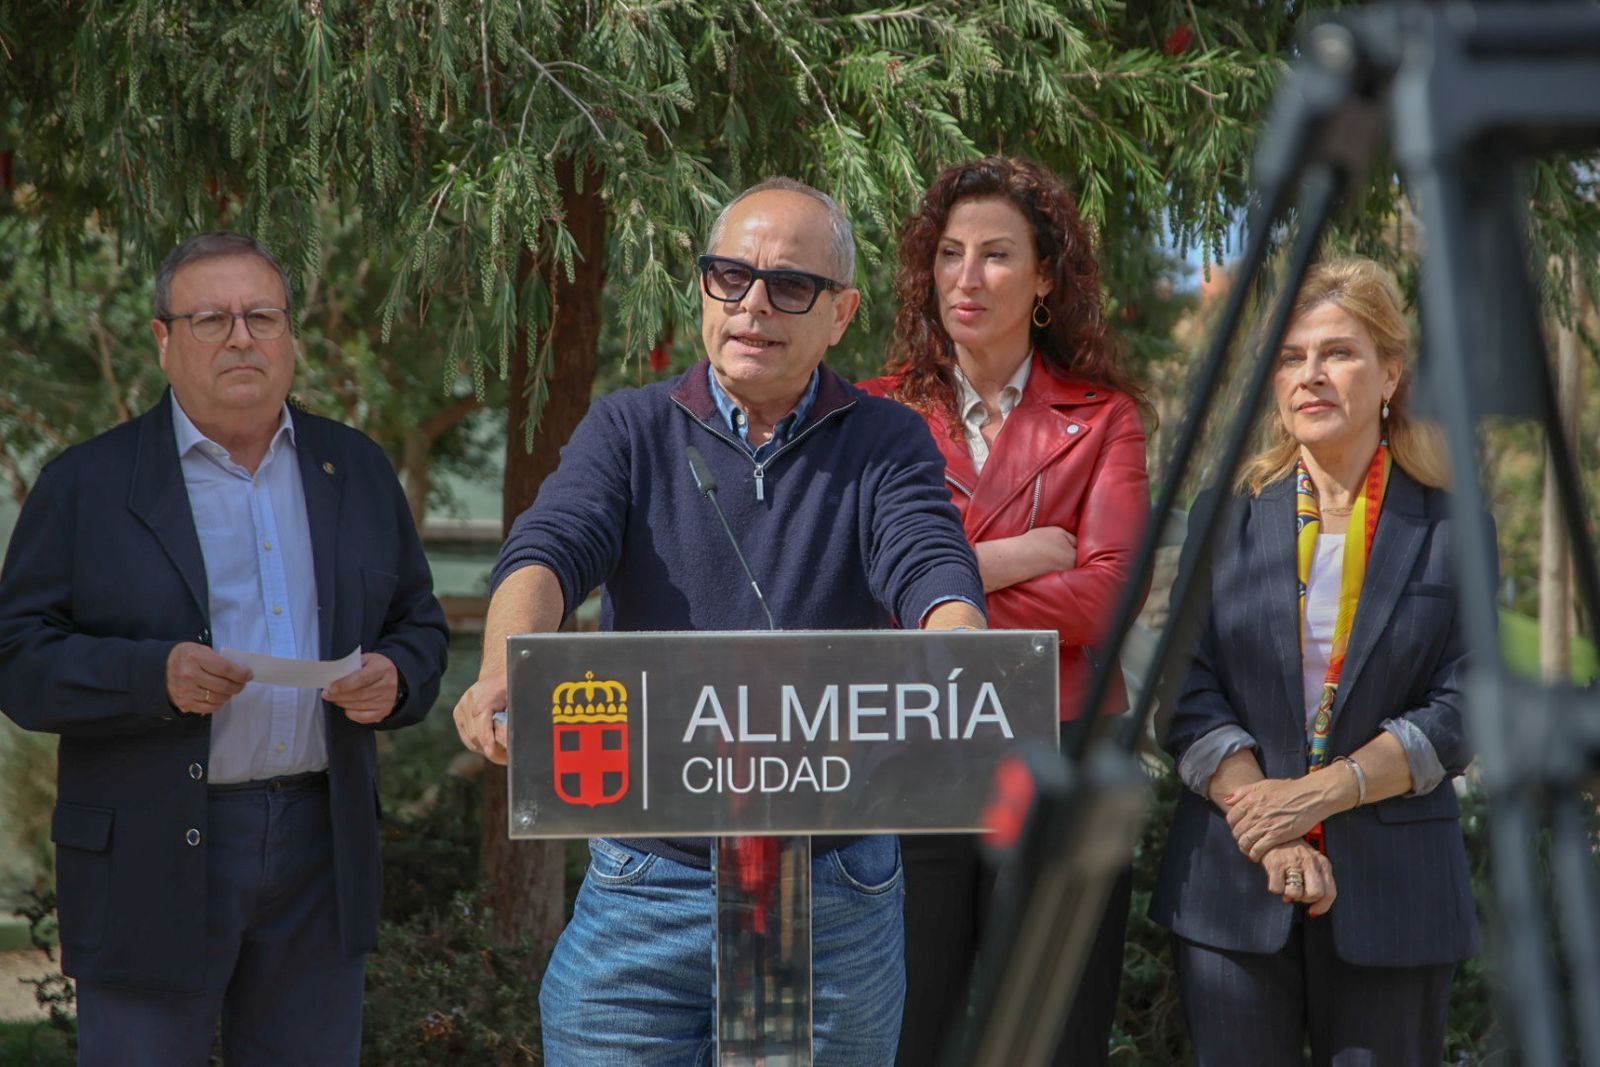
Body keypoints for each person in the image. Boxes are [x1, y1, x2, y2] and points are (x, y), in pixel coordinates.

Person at [452, 176, 987, 1065]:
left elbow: (928, 561)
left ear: (841, 313)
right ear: (702, 287)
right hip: (648, 874)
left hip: (824, 886)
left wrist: (959, 644)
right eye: (729, 277)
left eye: (790, 286)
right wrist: (507, 662)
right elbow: (547, 549)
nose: (753, 306)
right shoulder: (627, 428)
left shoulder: (887, 440)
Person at [0, 231, 450, 1066]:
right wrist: (152, 676)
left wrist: (398, 676)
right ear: (163, 341)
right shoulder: (87, 485)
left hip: (321, 846)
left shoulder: (351, 468)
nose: (242, 337)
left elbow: (416, 624)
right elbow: (20, 661)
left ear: (291, 338)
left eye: (262, 316)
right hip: (147, 848)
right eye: (210, 318)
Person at [1149, 258, 1481, 1064]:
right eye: (1292, 357)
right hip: (1234, 888)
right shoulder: (1224, 517)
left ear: (1392, 373)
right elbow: (1181, 688)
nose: (1311, 375)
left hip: (1396, 895)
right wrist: (1272, 824)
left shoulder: (1450, 524)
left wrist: (1320, 795)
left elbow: (1467, 701)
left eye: (1338, 353)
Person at [860, 155, 1151, 1067]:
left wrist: (935, 580)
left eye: (994, 255)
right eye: (949, 254)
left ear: (1045, 279)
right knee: (906, 1026)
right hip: (913, 742)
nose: (966, 277)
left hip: (1061, 741)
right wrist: (1017, 555)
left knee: (1058, 1031)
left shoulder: (1107, 419)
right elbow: (859, 594)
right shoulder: (873, 414)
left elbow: (1107, 594)